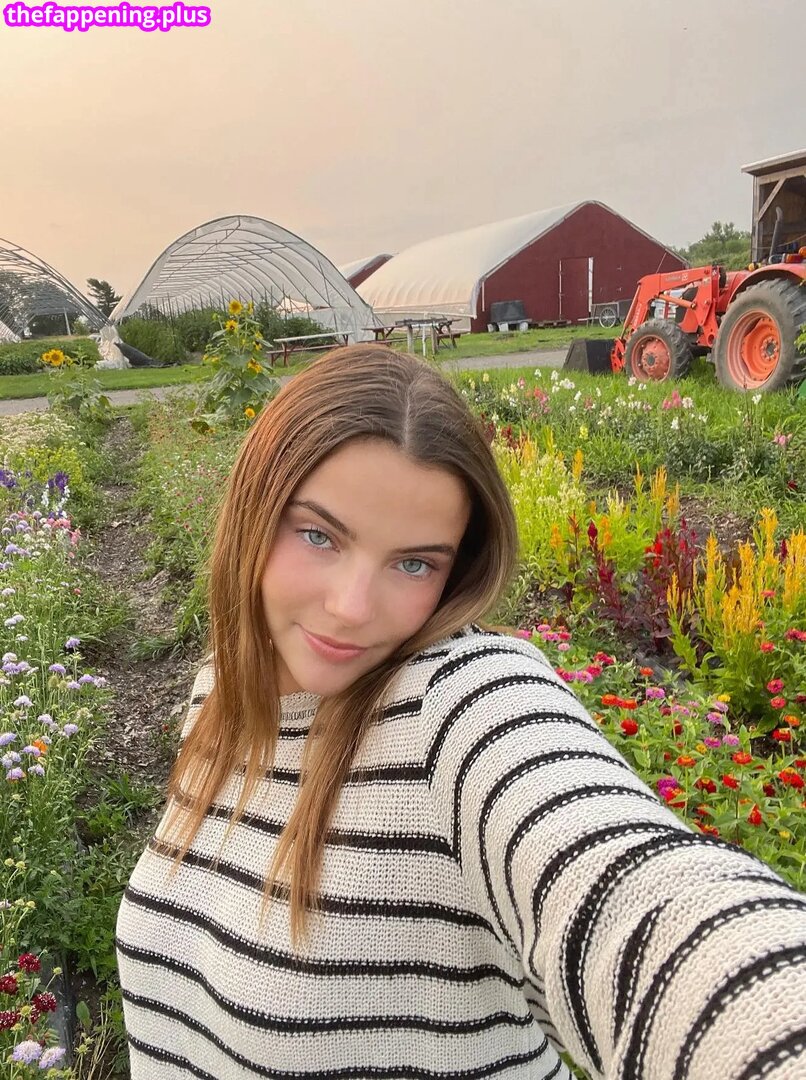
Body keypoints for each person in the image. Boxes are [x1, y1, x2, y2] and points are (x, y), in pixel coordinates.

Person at [116, 344, 806, 1080]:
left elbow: (643, 901)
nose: (351, 608)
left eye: (414, 563)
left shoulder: (460, 706)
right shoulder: (222, 691)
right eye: (318, 535)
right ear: (252, 512)